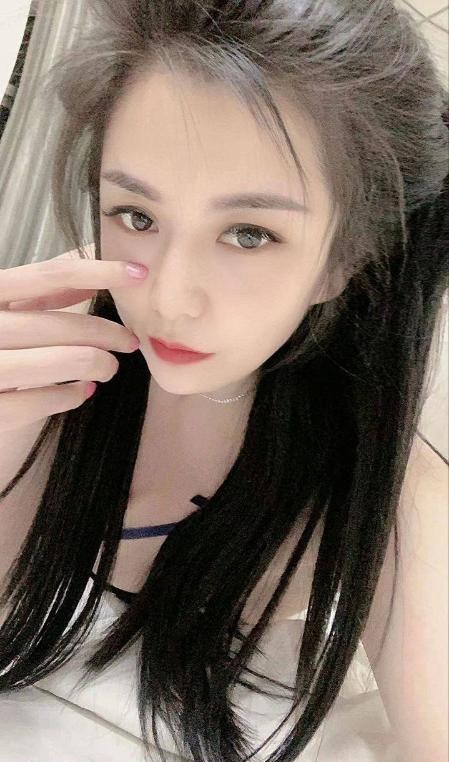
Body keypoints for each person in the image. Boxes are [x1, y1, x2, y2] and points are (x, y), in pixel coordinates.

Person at [0, 1, 448, 760]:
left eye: (248, 233)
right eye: (136, 215)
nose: (169, 296)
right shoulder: (43, 359)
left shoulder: (392, 511)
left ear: (344, 259)